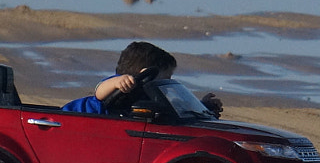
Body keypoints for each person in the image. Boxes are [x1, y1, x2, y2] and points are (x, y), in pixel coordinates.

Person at [62, 40, 223, 116]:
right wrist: (117, 82)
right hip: (73, 119)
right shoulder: (119, 86)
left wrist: (203, 107)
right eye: (166, 78)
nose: (168, 83)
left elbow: (176, 108)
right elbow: (99, 92)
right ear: (147, 76)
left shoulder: (149, 97)